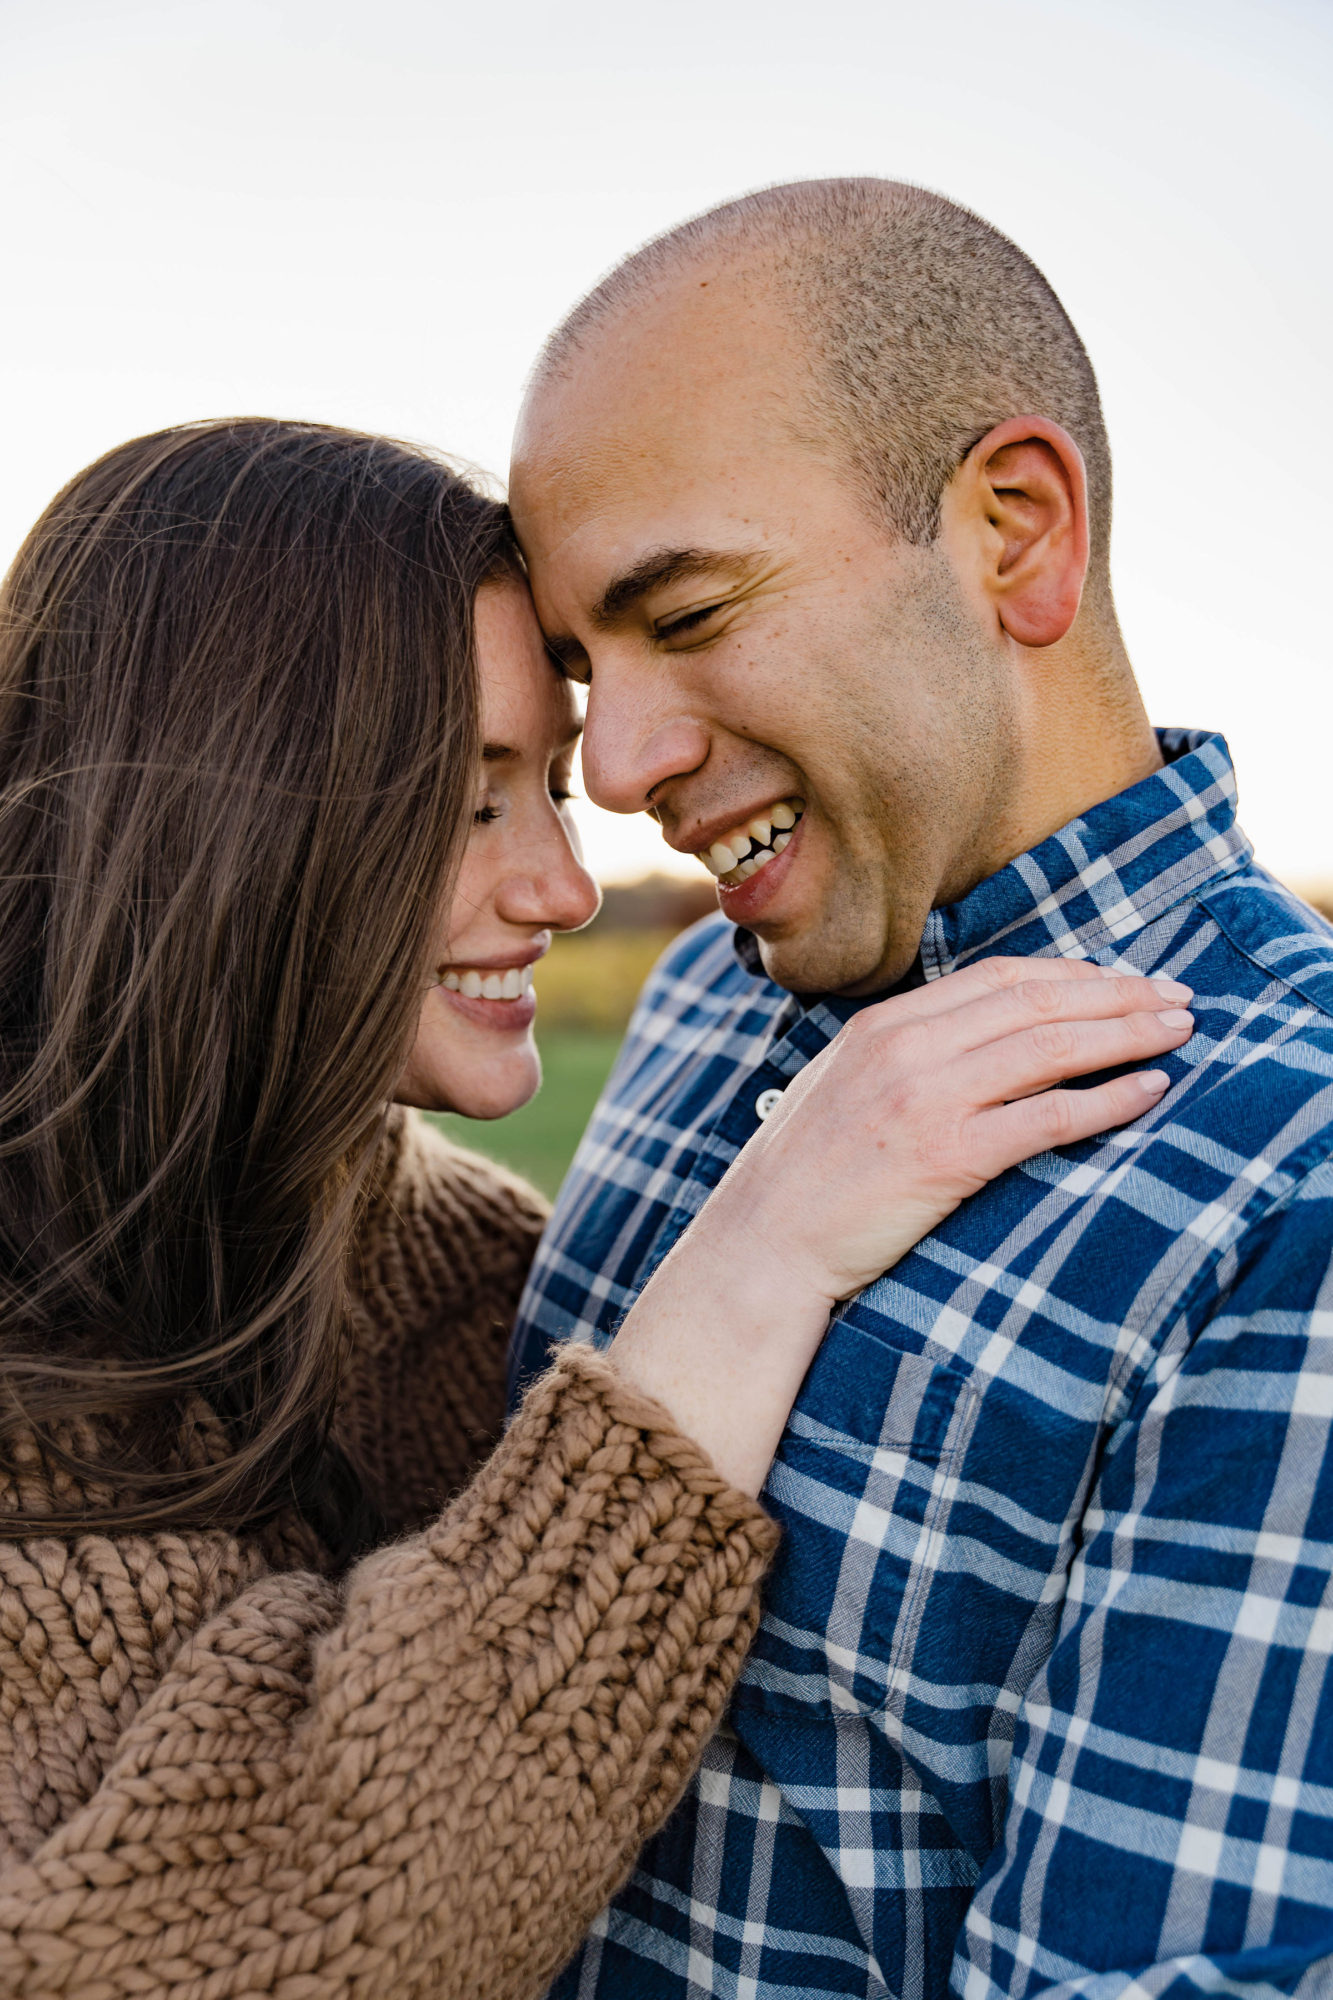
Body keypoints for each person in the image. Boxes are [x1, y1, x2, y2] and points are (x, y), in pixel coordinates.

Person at [0, 418, 1188, 2000]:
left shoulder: (433, 1260)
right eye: (471, 798)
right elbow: (210, 1945)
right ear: (229, 813)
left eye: (546, 787)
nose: (563, 886)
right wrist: (753, 1261)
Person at [506, 179, 1333, 1997]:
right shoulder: (700, 1005)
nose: (618, 763)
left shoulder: (1292, 1192)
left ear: (1011, 534)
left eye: (691, 609)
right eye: (584, 669)